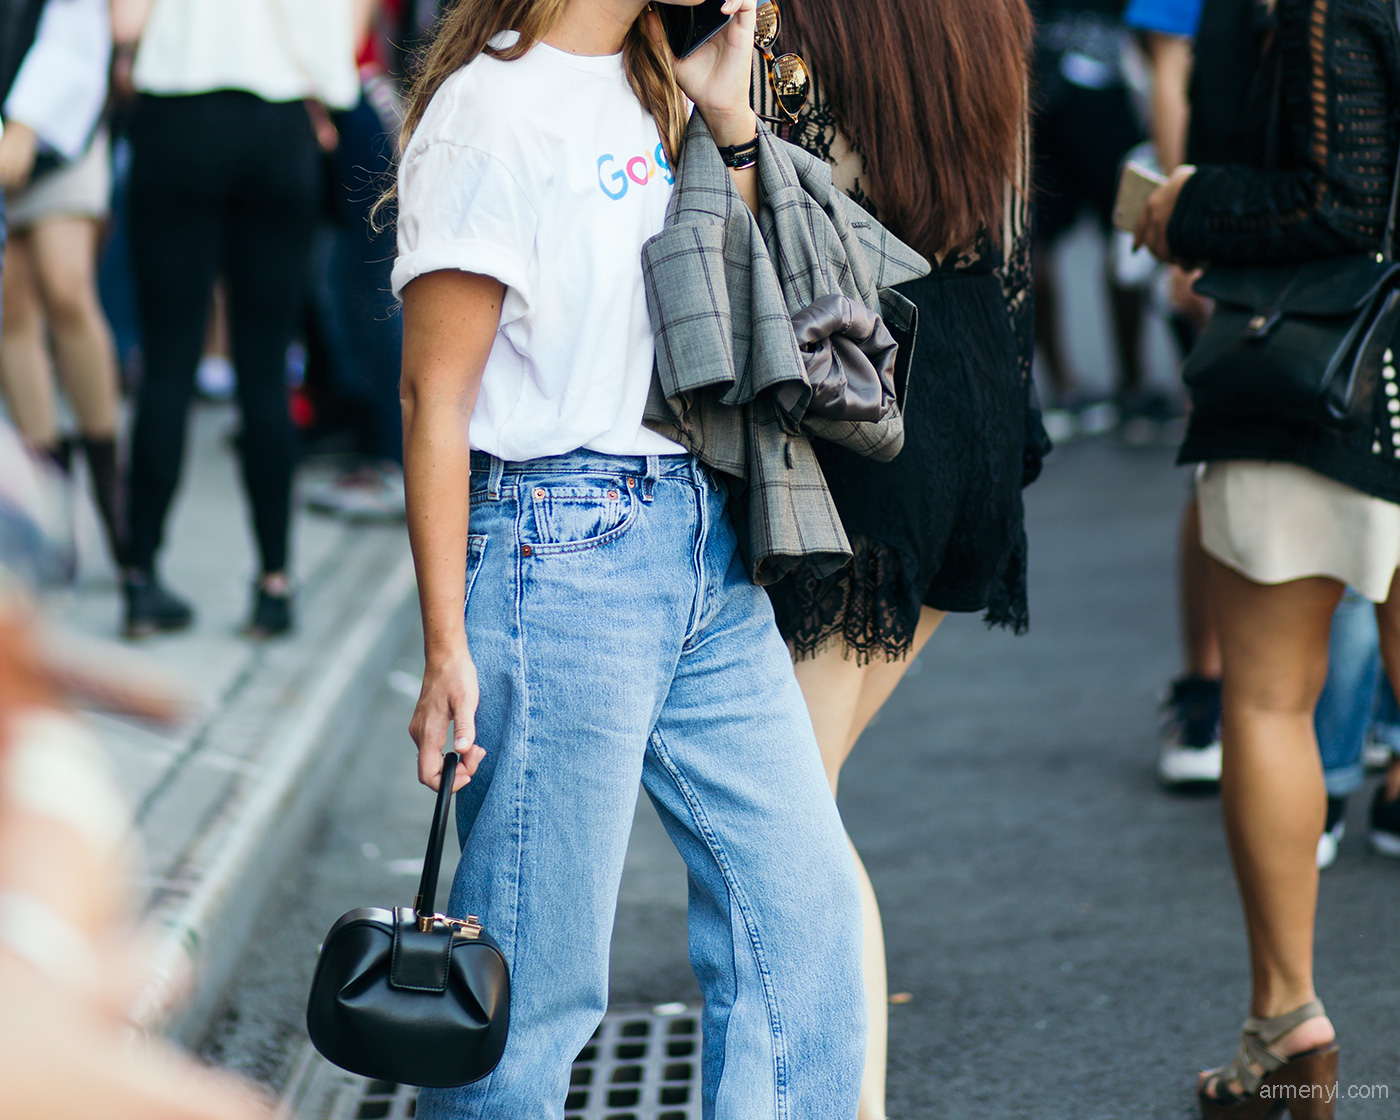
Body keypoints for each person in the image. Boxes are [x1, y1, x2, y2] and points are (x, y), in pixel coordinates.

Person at [395, 0, 868, 1114]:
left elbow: (752, 295)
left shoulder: (658, 84)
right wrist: (444, 645)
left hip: (699, 538)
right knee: (530, 990)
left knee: (801, 920)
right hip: (559, 551)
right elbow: (433, 396)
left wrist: (722, 110)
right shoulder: (488, 112)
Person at [755, 3, 1043, 1115]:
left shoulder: (787, 21)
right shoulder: (984, 12)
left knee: (785, 820)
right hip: (972, 368)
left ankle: (847, 1101)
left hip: (863, 385)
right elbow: (1010, 211)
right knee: (793, 805)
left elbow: (774, 195)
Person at [1135, 0, 1400, 1111]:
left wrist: (1184, 205)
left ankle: (1285, 1023)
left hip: (1319, 371)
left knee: (1267, 697)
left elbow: (1336, 193)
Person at [109, 0, 364, 638]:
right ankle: (273, 584)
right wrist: (328, 98)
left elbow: (124, 24)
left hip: (174, 116)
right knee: (265, 366)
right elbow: (324, 32)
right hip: (275, 123)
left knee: (167, 361)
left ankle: (140, 579)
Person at [0, 0, 125, 567]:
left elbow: (77, 23)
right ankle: (53, 521)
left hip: (60, 118)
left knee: (66, 287)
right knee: (10, 308)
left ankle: (115, 504)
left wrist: (25, 124)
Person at [1029, 0, 1157, 440]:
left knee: (1036, 239)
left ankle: (1066, 388)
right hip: (1094, 91)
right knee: (1124, 232)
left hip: (1044, 88)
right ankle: (1131, 386)